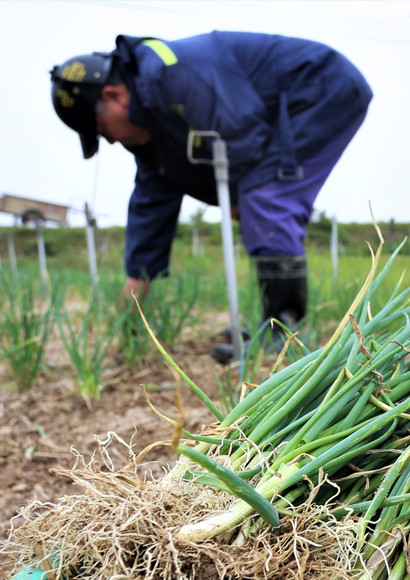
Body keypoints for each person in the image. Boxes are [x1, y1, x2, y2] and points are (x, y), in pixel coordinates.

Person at [50, 32, 371, 361]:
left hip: (321, 88)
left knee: (265, 197)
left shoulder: (172, 75)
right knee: (257, 198)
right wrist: (129, 317)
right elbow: (151, 210)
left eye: (102, 129)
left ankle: (282, 337)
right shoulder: (151, 130)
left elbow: (242, 131)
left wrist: (241, 202)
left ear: (114, 96)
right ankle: (272, 327)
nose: (111, 141)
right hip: (277, 110)